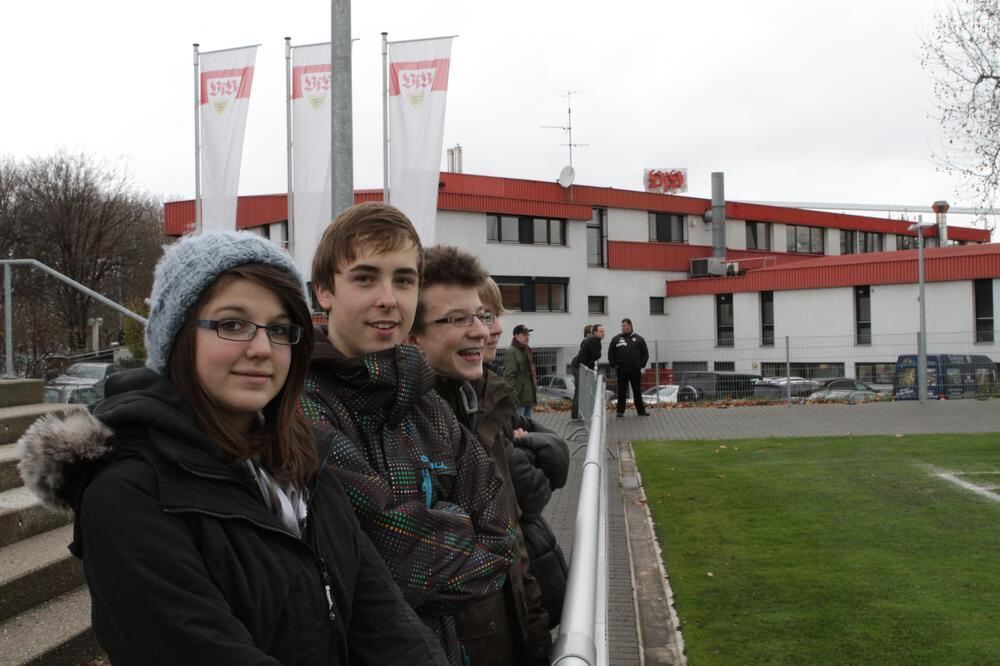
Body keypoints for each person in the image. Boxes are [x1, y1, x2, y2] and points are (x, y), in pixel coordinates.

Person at [17, 231, 445, 665]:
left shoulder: (303, 465)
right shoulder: (128, 491)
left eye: (279, 329)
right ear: (180, 336)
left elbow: (388, 627)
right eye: (232, 324)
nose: (261, 348)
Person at [298, 202, 514, 666]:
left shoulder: (426, 402)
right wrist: (458, 519)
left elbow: (499, 543)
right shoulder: (301, 406)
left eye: (403, 279)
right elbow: (388, 561)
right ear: (324, 291)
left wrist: (435, 526)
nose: (388, 298)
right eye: (364, 278)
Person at [408, 247, 554, 665]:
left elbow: (512, 541)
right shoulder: (401, 430)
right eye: (458, 319)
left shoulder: (477, 406)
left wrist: (535, 629)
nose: (482, 331)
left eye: (480, 315)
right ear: (410, 334)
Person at [475, 276, 570, 630]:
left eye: (494, 315)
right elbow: (528, 492)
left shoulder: (492, 389)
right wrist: (525, 449)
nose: (494, 327)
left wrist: (524, 444)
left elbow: (559, 462)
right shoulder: (485, 393)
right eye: (485, 315)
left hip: (527, 579)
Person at [608, 317, 650, 417]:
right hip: (621, 370)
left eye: (624, 325)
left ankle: (641, 411)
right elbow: (611, 354)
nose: (622, 327)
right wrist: (614, 364)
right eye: (622, 326)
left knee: (637, 391)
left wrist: (641, 364)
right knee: (621, 391)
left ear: (630, 326)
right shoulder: (616, 339)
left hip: (635, 370)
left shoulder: (639, 339)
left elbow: (645, 354)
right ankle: (620, 411)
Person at [569, 323, 605, 420]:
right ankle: (575, 415)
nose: (603, 333)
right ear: (595, 332)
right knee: (580, 391)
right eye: (601, 331)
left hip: (581, 366)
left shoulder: (594, 341)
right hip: (579, 367)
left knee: (581, 391)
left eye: (603, 331)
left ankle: (578, 414)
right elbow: (596, 355)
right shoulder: (593, 341)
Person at [503, 324, 537, 418]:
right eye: (524, 335)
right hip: (518, 397)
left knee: (527, 426)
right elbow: (509, 376)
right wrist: (512, 396)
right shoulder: (512, 351)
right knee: (519, 426)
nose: (527, 337)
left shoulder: (526, 350)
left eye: (528, 335)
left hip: (527, 397)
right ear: (516, 336)